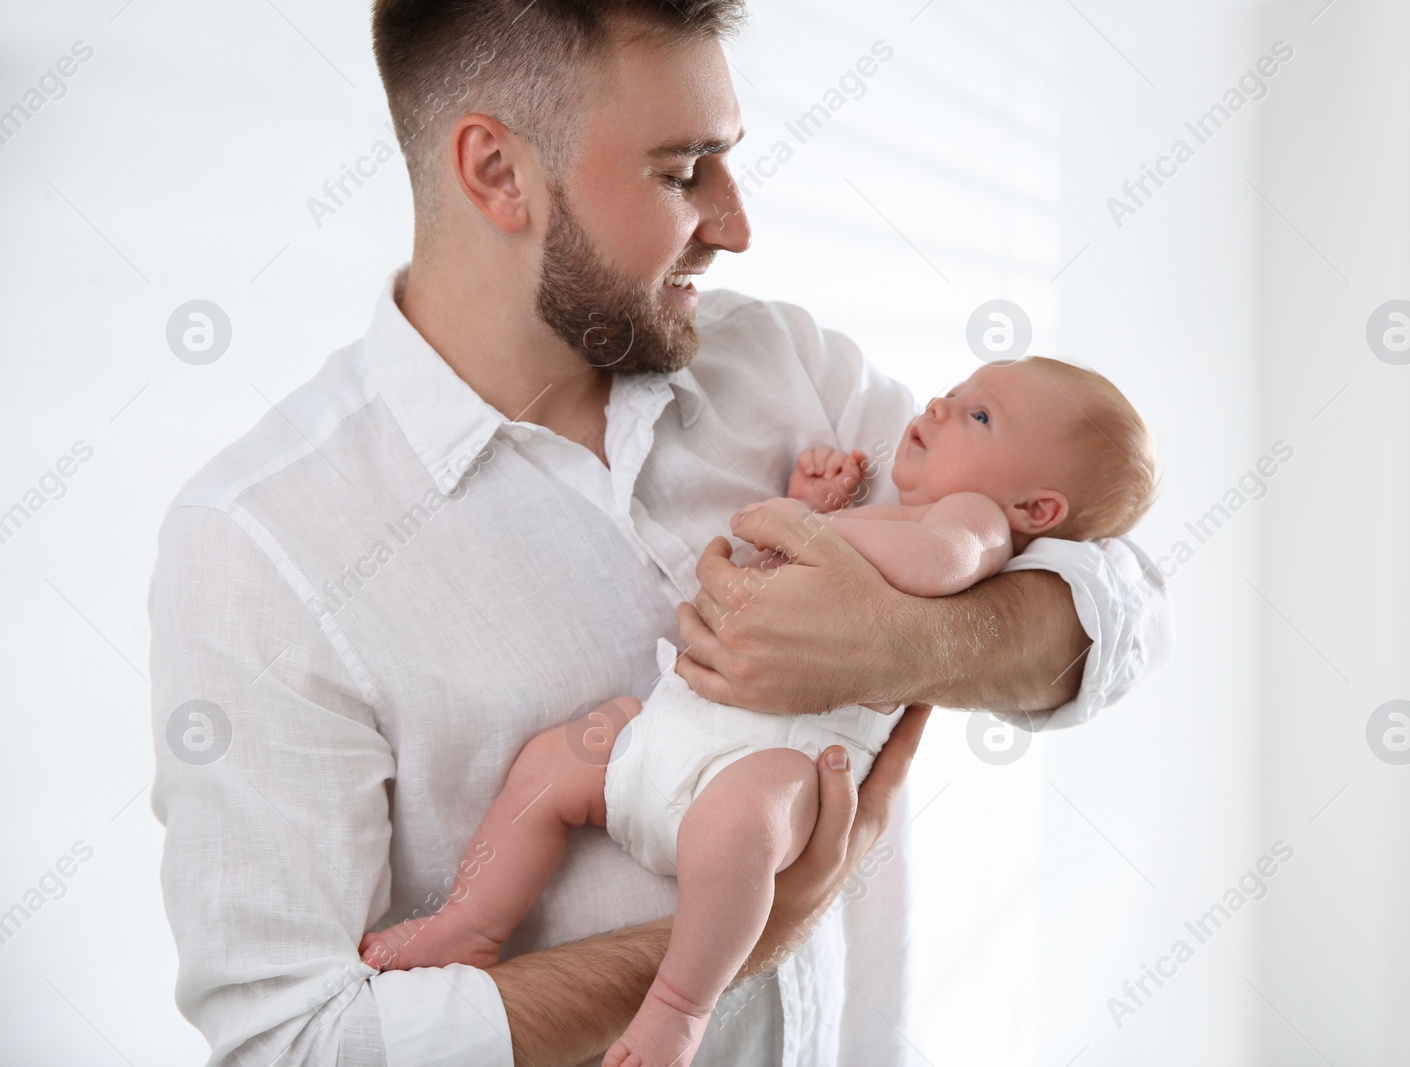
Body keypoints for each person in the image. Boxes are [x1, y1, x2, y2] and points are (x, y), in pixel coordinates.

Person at [148, 2, 1172, 1065]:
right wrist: (740, 938)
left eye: (726, 162)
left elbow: (1117, 587)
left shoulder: (787, 365)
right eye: (683, 172)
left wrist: (913, 644)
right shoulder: (261, 546)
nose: (735, 225)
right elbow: (295, 1042)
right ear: (496, 171)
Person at [354, 357, 1158, 1067]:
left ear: (1038, 511)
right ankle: (470, 919)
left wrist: (817, 526)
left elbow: (937, 567)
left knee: (737, 827)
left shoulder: (974, 525)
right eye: (956, 392)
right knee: (554, 761)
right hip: (669, 733)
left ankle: (680, 1003)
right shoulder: (893, 504)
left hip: (775, 765)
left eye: (980, 416)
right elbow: (804, 567)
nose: (941, 407)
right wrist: (817, 505)